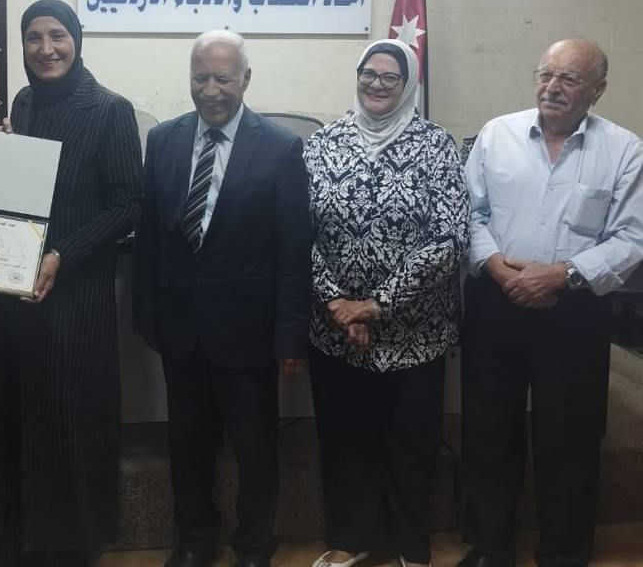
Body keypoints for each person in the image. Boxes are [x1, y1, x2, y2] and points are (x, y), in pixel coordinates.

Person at [0, 0, 143, 567]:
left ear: (77, 40)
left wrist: (64, 253)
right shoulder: (21, 101)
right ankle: (9, 532)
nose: (46, 49)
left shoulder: (110, 109)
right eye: (33, 37)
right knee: (6, 413)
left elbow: (128, 205)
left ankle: (68, 545)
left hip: (72, 298)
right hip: (9, 295)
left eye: (57, 35)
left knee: (65, 420)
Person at [459, 38, 643, 567]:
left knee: (570, 436)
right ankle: (490, 547)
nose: (552, 87)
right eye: (546, 74)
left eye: (569, 78)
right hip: (496, 300)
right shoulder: (497, 134)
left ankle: (563, 553)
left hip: (574, 311)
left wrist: (563, 275)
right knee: (489, 429)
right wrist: (498, 268)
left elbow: (631, 236)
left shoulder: (624, 150)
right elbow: (469, 214)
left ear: (597, 90)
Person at [132, 30, 311, 567]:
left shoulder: (281, 147)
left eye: (223, 79)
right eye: (200, 78)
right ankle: (194, 541)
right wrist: (145, 314)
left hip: (249, 334)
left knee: (256, 449)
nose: (210, 90)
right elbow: (150, 237)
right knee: (188, 446)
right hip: (180, 329)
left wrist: (290, 336)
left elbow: (293, 251)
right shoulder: (162, 140)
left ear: (245, 80)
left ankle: (254, 547)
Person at [302, 39, 469, 567]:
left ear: (408, 83)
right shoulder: (322, 143)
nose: (376, 84)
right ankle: (351, 538)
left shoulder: (437, 146)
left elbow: (450, 237)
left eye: (389, 76)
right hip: (335, 329)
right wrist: (336, 302)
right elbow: (297, 230)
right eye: (367, 73)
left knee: (411, 442)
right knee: (344, 439)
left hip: (414, 333)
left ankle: (410, 544)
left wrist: (376, 305)